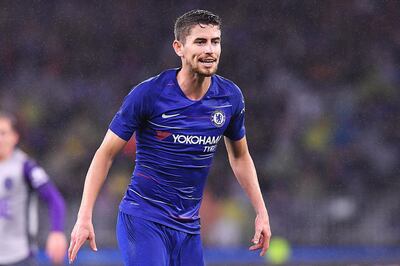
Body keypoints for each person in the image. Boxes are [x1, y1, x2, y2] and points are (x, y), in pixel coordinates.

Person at [68, 9, 271, 266]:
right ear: (179, 47)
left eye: (215, 41)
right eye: (200, 41)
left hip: (188, 230)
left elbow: (240, 157)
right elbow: (105, 154)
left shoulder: (230, 97)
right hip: (143, 221)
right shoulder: (149, 94)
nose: (210, 50)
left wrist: (261, 212)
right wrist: (84, 216)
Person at [0, 111, 68, 266]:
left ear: (14, 137)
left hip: (19, 257)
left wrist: (57, 232)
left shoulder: (26, 166)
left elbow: (54, 199)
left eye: (3, 133)